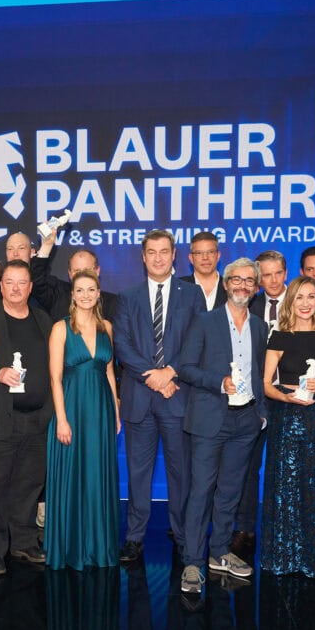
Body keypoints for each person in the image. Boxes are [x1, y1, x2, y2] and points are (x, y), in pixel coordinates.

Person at [175, 258, 268, 592]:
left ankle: (219, 552)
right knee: (201, 490)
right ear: (226, 284)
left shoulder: (260, 327)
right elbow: (185, 367)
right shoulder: (204, 321)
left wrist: (261, 414)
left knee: (230, 492)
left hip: (245, 421)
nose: (242, 285)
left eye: (248, 281)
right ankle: (192, 561)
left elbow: (260, 372)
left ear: (255, 288)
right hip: (210, 418)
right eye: (236, 280)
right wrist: (219, 381)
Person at [112, 229, 205, 563]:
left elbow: (197, 341)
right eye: (151, 252)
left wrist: (171, 372)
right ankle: (134, 538)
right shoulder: (128, 297)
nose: (158, 257)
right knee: (138, 473)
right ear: (142, 256)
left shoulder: (192, 295)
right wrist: (153, 376)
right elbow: (122, 344)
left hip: (178, 396)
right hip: (140, 398)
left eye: (164, 251)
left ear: (174, 254)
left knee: (182, 474)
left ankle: (182, 536)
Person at [258, 276, 315, 581]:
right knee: (285, 487)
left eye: (311, 296)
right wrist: (286, 395)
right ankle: (285, 557)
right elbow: (266, 384)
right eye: (299, 297)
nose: (306, 303)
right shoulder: (279, 336)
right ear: (291, 301)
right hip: (286, 417)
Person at [0, 260, 54, 575]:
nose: (17, 288)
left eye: (23, 282)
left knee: (29, 484)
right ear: (0, 285)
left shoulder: (43, 320)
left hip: (37, 419)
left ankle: (23, 541)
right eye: (10, 282)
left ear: (30, 287)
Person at [45, 268, 119, 569]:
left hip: (100, 410)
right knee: (73, 475)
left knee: (97, 476)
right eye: (80, 290)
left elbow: (110, 371)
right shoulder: (60, 329)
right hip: (72, 408)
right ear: (72, 295)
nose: (86, 295)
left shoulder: (107, 327)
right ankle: (71, 548)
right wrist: (62, 419)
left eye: (91, 289)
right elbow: (55, 377)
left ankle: (98, 546)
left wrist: (115, 411)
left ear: (98, 293)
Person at [234, 250, 288, 561]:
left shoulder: (299, 304)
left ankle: (281, 529)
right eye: (264, 275)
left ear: (285, 272)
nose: (271, 280)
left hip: (288, 397)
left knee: (284, 470)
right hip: (252, 399)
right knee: (247, 467)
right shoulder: (245, 305)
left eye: (276, 273)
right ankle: (245, 529)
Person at [30, 229, 120, 321]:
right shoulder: (57, 294)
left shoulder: (113, 304)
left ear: (97, 271)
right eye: (77, 271)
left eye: (87, 270)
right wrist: (46, 246)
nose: (82, 275)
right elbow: (36, 279)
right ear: (70, 274)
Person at [179, 231, 228, 310]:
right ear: (191, 258)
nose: (205, 257)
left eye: (210, 252)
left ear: (218, 256)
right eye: (199, 253)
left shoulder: (231, 287)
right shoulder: (178, 287)